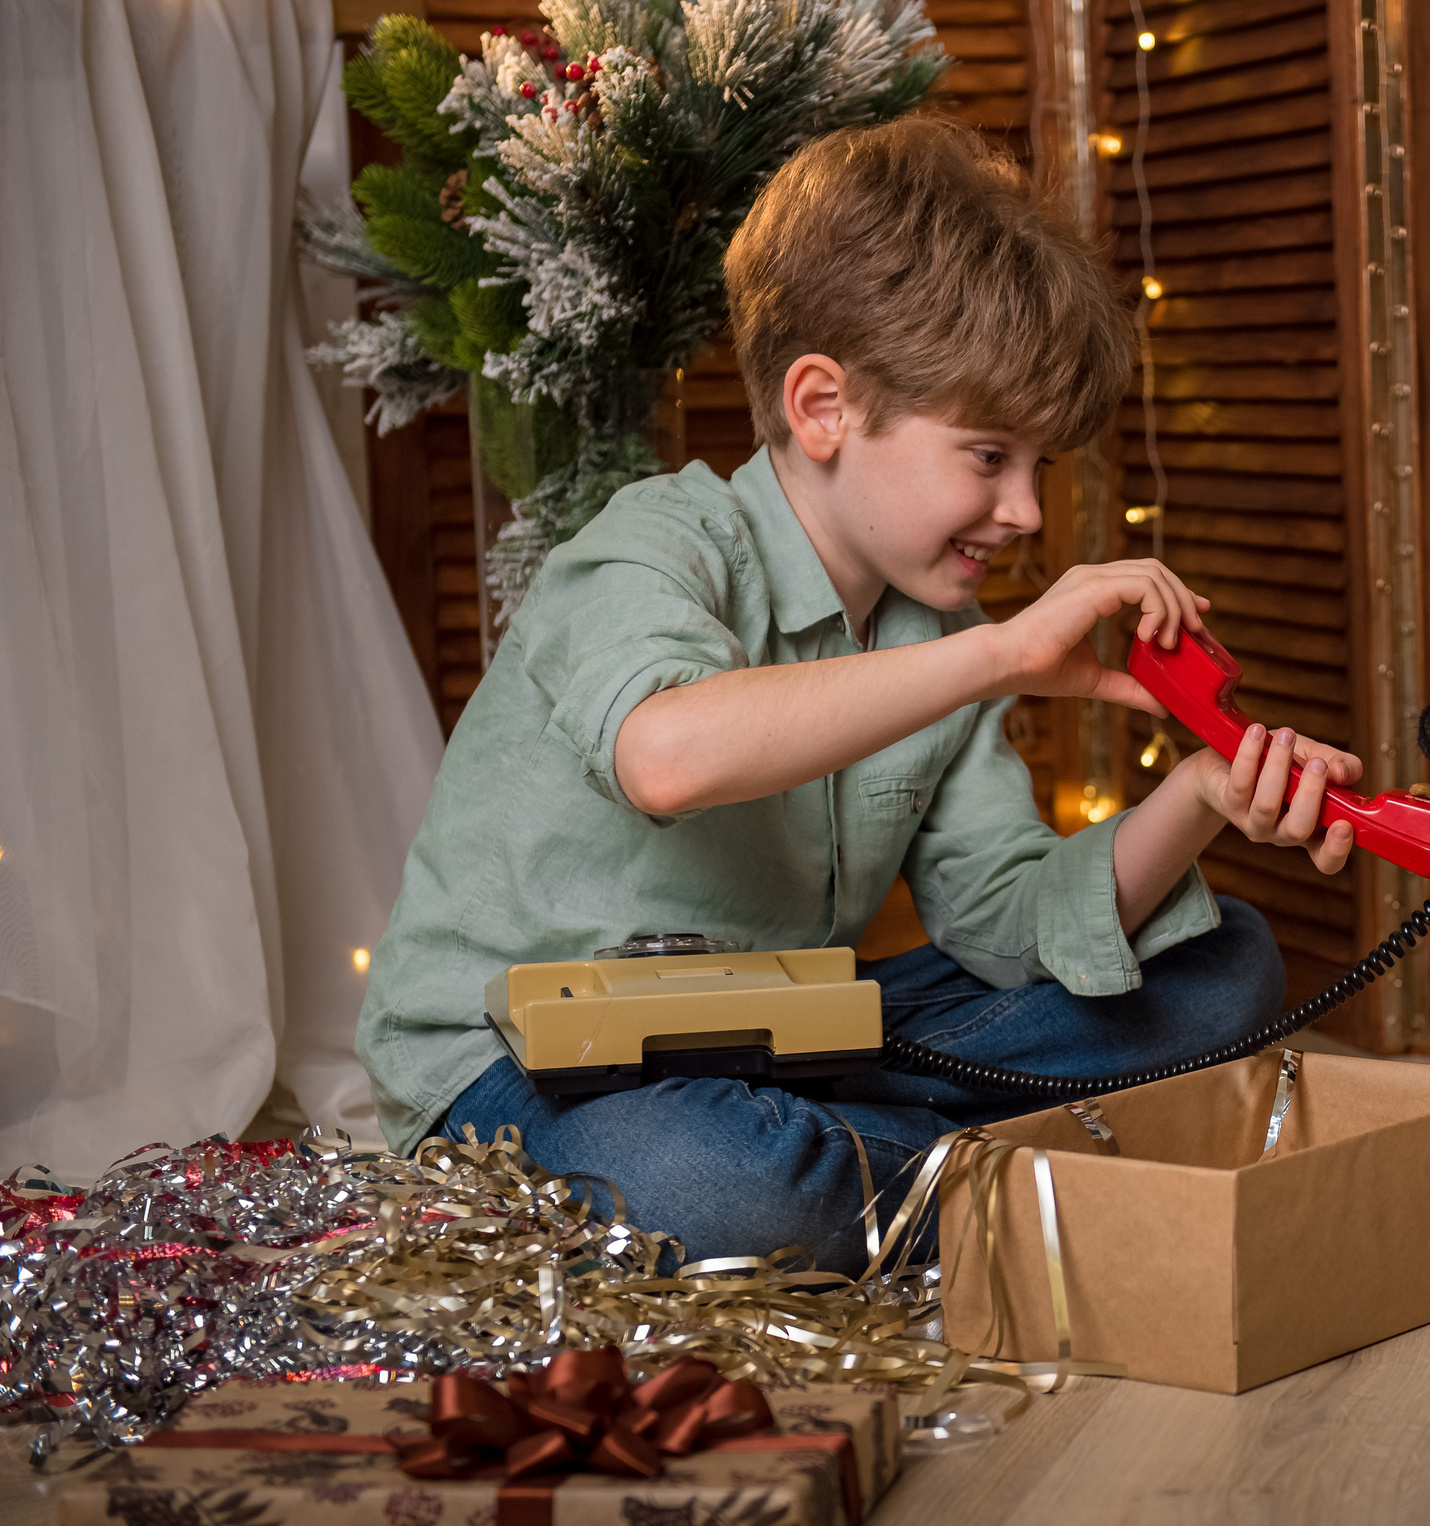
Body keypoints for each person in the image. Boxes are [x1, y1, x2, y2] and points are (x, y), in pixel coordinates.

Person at [354, 118, 1361, 1273]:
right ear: (824, 407)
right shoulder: (656, 544)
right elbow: (666, 755)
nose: (1028, 512)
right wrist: (997, 657)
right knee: (717, 1179)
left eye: (1040, 467)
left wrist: (1195, 795)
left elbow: (999, 921)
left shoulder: (939, 628)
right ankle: (997, 1168)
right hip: (514, 1064)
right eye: (989, 457)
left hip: (768, 1037)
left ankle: (890, 1169)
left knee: (1222, 963)